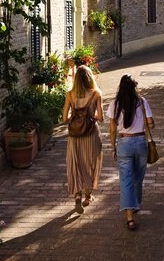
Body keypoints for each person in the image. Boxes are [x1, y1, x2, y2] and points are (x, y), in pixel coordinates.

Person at [106, 74, 155, 230]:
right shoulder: (142, 102)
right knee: (138, 178)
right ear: (134, 87)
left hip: (124, 143)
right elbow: (151, 124)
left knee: (126, 180)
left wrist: (113, 147)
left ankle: (129, 217)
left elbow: (112, 129)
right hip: (141, 143)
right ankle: (135, 206)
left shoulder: (115, 104)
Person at [62, 65, 104, 214]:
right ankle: (88, 196)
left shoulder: (69, 94)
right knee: (90, 164)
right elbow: (101, 117)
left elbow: (64, 118)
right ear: (90, 77)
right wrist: (90, 116)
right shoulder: (96, 94)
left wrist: (75, 117)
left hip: (75, 137)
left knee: (76, 164)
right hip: (91, 135)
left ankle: (77, 196)